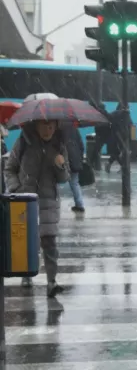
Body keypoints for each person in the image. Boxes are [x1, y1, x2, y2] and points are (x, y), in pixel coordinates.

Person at [5, 120, 70, 298]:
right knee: (27, 242)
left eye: (51, 126)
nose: (48, 130)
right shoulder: (24, 141)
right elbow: (10, 169)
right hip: (25, 201)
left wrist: (60, 165)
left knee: (49, 243)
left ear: (56, 127)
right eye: (44, 126)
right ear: (36, 125)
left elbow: (64, 178)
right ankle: (26, 275)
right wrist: (16, 189)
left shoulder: (59, 145)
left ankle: (52, 281)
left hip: (48, 201)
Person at [61, 122, 86, 213]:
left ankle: (55, 203)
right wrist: (80, 158)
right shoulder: (74, 129)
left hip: (64, 159)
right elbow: (81, 145)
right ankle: (79, 205)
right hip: (75, 159)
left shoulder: (59, 130)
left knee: (54, 181)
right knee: (74, 183)